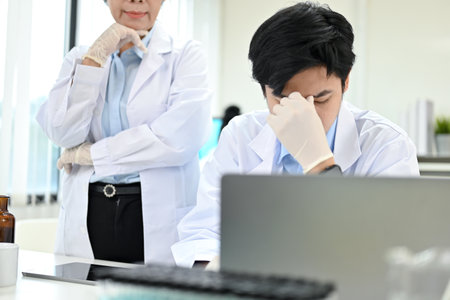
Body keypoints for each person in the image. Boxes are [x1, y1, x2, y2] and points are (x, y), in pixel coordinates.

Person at [171, 2, 419, 268]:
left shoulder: (386, 145)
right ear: (264, 88)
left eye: (320, 99)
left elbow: (387, 254)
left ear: (345, 81)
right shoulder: (240, 136)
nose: (303, 115)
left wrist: (320, 165)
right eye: (283, 99)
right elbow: (203, 233)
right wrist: (210, 272)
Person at [36, 0, 211, 265]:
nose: (137, 0)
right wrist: (93, 61)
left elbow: (179, 137)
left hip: (154, 218)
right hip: (89, 212)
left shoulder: (185, 56)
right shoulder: (81, 58)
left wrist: (92, 155)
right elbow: (62, 133)